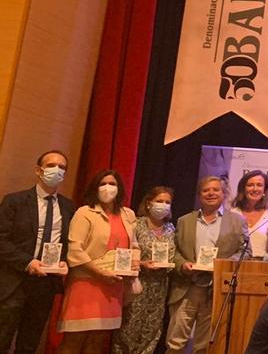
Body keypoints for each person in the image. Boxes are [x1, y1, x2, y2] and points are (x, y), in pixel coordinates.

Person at [0, 149, 76, 354]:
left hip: (45, 285)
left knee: (29, 342)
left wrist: (63, 261)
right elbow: (2, 240)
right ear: (38, 170)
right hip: (14, 282)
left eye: (62, 167)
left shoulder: (69, 207)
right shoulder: (14, 201)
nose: (57, 170)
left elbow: (68, 243)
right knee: (2, 337)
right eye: (51, 165)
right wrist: (28, 263)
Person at [165, 175, 249, 354]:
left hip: (216, 289)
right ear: (199, 195)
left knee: (203, 346)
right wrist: (182, 264)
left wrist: (223, 266)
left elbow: (245, 252)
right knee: (175, 343)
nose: (211, 193)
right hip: (187, 288)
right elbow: (174, 251)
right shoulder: (184, 220)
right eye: (205, 190)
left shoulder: (237, 221)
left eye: (215, 189)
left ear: (223, 193)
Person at [58, 170, 139, 353]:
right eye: (103, 184)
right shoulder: (85, 212)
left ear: (119, 188)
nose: (108, 188)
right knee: (74, 340)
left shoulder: (128, 215)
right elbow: (75, 250)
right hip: (86, 283)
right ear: (95, 188)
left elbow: (134, 244)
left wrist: (134, 261)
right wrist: (100, 272)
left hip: (113, 286)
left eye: (112, 184)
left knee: (98, 340)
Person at [114, 186, 177, 354]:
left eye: (167, 202)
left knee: (152, 331)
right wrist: (141, 263)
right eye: (159, 201)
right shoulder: (136, 225)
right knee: (128, 329)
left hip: (159, 289)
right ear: (149, 203)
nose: (163, 205)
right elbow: (124, 254)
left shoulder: (171, 229)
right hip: (136, 285)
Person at [232, 170, 268, 259]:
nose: (255, 189)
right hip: (236, 265)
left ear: (265, 190)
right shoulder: (233, 213)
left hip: (262, 266)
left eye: (259, 185)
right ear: (243, 189)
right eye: (250, 185)